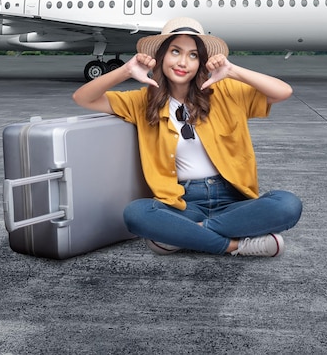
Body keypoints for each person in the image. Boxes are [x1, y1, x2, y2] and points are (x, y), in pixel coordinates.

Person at [72, 17, 302, 257]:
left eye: (193, 55)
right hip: (182, 203)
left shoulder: (226, 93)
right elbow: (83, 98)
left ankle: (185, 235)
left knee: (287, 204)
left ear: (201, 62)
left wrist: (232, 70)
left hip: (233, 201)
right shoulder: (142, 101)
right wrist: (126, 71)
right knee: (136, 213)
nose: (183, 62)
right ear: (161, 57)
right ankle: (236, 245)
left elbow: (283, 91)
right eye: (175, 52)